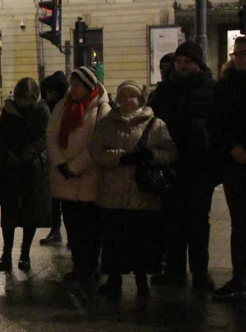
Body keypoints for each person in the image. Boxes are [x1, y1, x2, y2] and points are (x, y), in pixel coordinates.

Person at [91, 80, 177, 300]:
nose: (128, 99)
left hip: (142, 194)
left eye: (132, 95)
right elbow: (97, 151)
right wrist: (119, 157)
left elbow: (169, 152)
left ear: (140, 99)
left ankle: (142, 281)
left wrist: (150, 156)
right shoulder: (107, 123)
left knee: (140, 240)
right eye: (123, 95)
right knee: (113, 239)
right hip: (113, 192)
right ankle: (113, 280)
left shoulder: (155, 124)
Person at [149, 41, 217, 292]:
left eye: (187, 62)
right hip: (171, 164)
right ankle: (175, 271)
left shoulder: (210, 89)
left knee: (198, 222)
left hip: (200, 166)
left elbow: (218, 125)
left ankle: (200, 272)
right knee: (173, 221)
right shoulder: (166, 90)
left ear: (198, 64)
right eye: (179, 62)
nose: (182, 66)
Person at [47, 66, 111, 284]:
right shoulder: (62, 105)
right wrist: (61, 163)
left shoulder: (101, 108)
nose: (73, 89)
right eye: (71, 84)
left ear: (88, 86)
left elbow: (98, 143)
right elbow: (52, 135)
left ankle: (91, 266)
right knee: (72, 226)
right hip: (64, 178)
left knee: (91, 227)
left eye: (77, 85)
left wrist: (75, 167)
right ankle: (78, 266)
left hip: (88, 178)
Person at [0, 78, 52, 272]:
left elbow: (43, 137)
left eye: (27, 98)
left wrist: (24, 157)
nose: (23, 101)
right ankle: (6, 253)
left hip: (31, 167)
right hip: (9, 167)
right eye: (21, 97)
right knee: (8, 212)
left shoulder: (41, 111)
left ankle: (25, 253)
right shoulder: (9, 110)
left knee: (30, 212)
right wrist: (6, 156)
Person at [211, 35, 246, 300]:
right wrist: (232, 147)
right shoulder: (224, 87)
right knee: (239, 224)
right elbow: (217, 124)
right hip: (234, 163)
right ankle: (240, 278)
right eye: (239, 54)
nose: (242, 58)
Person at [39, 71, 69, 246]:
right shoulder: (49, 106)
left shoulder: (62, 106)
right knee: (55, 197)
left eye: (52, 92)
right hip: (53, 157)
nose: (49, 95)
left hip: (63, 157)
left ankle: (57, 229)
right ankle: (55, 229)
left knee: (62, 197)